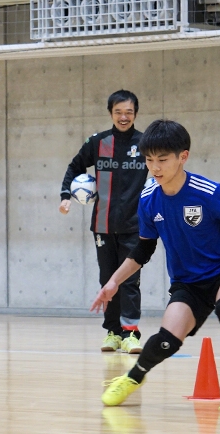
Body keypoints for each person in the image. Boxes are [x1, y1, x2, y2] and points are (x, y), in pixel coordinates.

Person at [91, 119, 220, 413]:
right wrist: (113, 282)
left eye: (162, 159)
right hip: (187, 284)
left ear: (183, 156)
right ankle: (132, 379)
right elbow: (143, 249)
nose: (155, 167)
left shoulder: (207, 192)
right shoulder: (148, 200)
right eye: (149, 160)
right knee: (165, 342)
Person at [60, 90, 147, 354]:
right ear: (111, 113)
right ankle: (112, 332)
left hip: (135, 226)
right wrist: (66, 195)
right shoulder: (98, 142)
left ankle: (131, 333)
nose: (124, 117)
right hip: (103, 226)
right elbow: (74, 166)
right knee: (107, 279)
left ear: (135, 114)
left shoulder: (145, 144)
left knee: (129, 281)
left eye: (129, 112)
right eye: (119, 112)